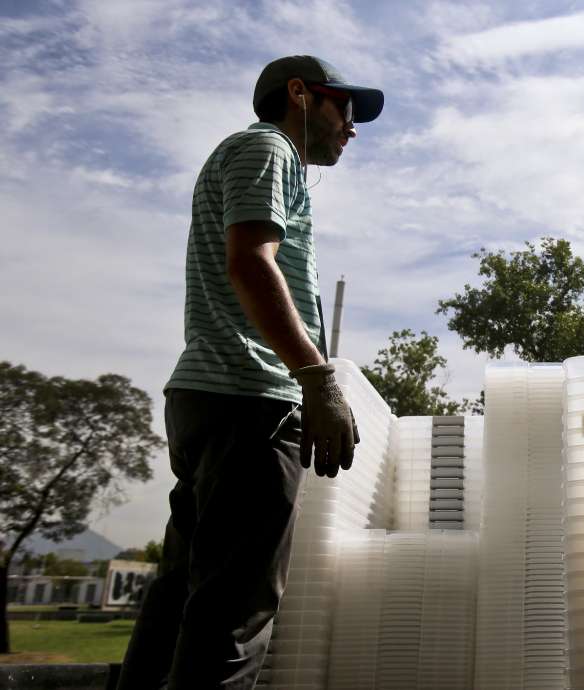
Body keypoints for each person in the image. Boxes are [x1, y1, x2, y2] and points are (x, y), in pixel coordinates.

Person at [118, 56, 383, 689]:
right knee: (234, 616)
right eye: (343, 108)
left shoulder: (256, 156)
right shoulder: (269, 149)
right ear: (299, 95)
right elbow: (251, 264)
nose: (351, 127)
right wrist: (316, 377)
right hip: (249, 401)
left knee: (182, 597)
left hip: (213, 396)